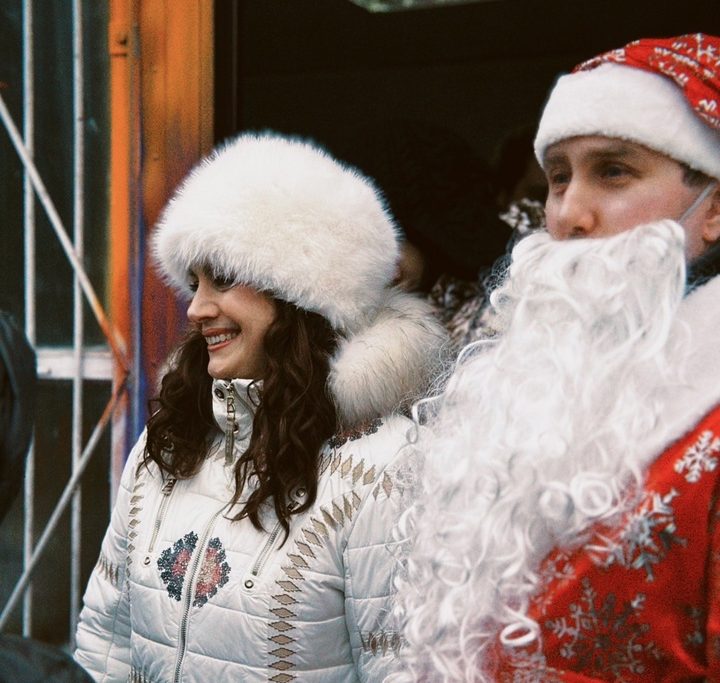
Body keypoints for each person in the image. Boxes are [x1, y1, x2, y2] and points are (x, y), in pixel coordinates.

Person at [391, 33, 720, 682]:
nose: (569, 215)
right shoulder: (526, 387)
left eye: (614, 171)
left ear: (713, 211)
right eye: (559, 178)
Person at [73, 132, 447, 682]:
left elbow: (403, 672)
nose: (198, 308)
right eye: (194, 283)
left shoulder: (385, 470)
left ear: (299, 293)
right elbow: (105, 643)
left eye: (223, 278)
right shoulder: (169, 440)